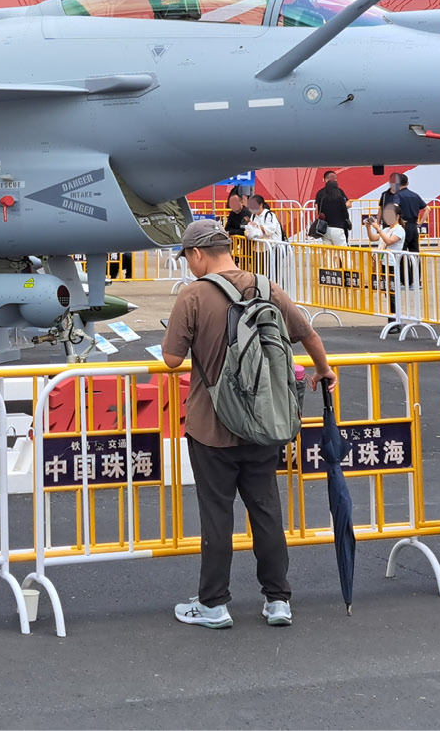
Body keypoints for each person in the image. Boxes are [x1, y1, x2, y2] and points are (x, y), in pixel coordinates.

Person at [161, 220, 334, 630]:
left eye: (187, 257)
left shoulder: (193, 296)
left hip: (211, 425)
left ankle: (214, 604)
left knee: (217, 515)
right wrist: (324, 371)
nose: (188, 265)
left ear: (198, 254)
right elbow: (307, 333)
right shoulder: (268, 287)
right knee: (266, 510)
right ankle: (277, 600)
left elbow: (171, 360)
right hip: (265, 420)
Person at [314, 171, 349, 246]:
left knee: (328, 254)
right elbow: (345, 213)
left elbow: (317, 210)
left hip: (325, 229)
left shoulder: (321, 195)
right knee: (344, 253)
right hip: (338, 227)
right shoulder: (339, 196)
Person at [392, 174, 426, 253]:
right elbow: (427, 209)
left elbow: (395, 207)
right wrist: (420, 223)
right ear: (407, 183)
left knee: (402, 252)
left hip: (403, 225)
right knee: (415, 252)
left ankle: (403, 266)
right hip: (414, 226)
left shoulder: (397, 195)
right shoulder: (415, 195)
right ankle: (416, 266)